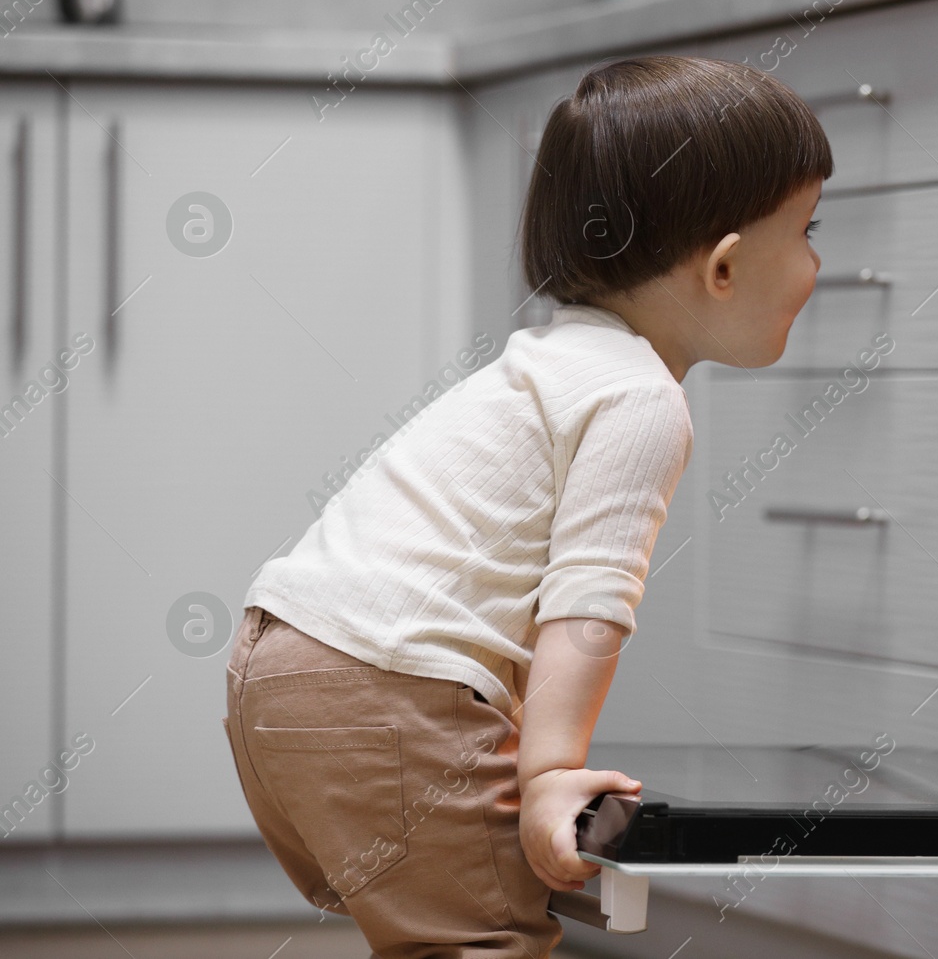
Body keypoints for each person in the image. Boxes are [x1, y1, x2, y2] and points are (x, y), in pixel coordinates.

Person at [221, 54, 831, 957]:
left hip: (274, 663)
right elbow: (587, 607)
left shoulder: (545, 362)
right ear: (726, 269)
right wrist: (549, 772)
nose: (819, 262)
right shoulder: (641, 399)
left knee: (433, 919)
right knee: (485, 934)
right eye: (810, 231)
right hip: (387, 684)